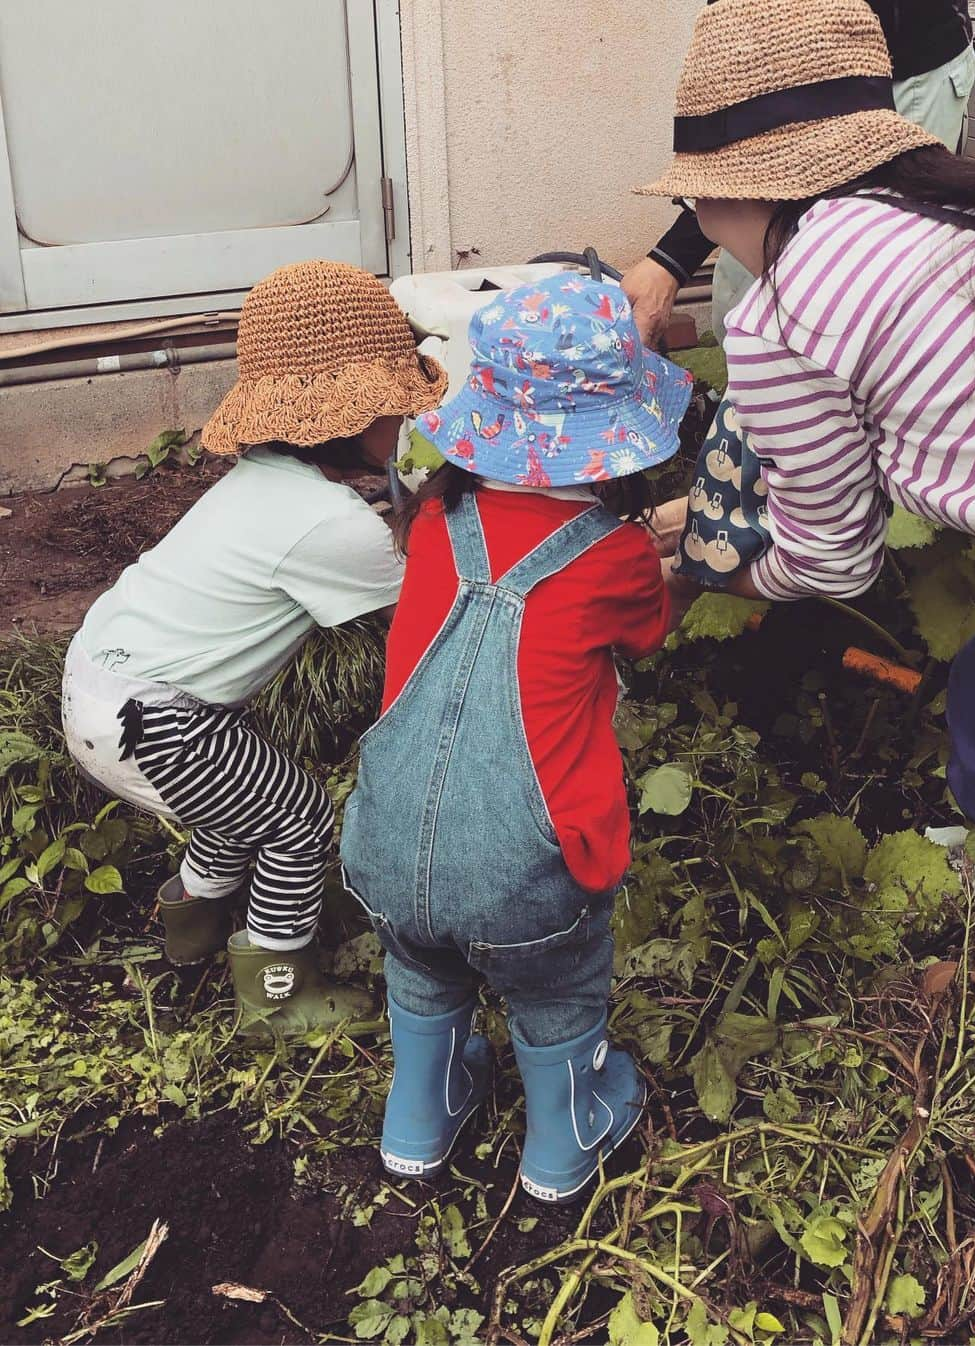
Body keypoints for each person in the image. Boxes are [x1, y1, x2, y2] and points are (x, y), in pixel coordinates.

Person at [638, 0, 975, 1334]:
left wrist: (712, 566)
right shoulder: (967, 217)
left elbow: (828, 565)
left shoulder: (776, 324)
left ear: (726, 194)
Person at [339, 275, 693, 1200]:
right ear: (613, 442)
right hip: (526, 873)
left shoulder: (432, 524)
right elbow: (647, 630)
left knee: (422, 967)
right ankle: (564, 1141)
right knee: (555, 988)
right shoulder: (614, 551)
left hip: (383, 847)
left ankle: (418, 1118)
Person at [61, 260, 447, 1037]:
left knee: (239, 800)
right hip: (155, 717)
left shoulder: (266, 480)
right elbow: (431, 591)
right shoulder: (330, 527)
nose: (406, 423)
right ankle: (276, 989)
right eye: (395, 409)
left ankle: (191, 927)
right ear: (348, 422)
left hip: (102, 686)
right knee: (295, 816)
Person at [622, 0, 975, 348]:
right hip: (805, 77)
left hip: (907, 62)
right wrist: (669, 263)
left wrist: (671, 262)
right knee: (743, 305)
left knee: (812, 310)